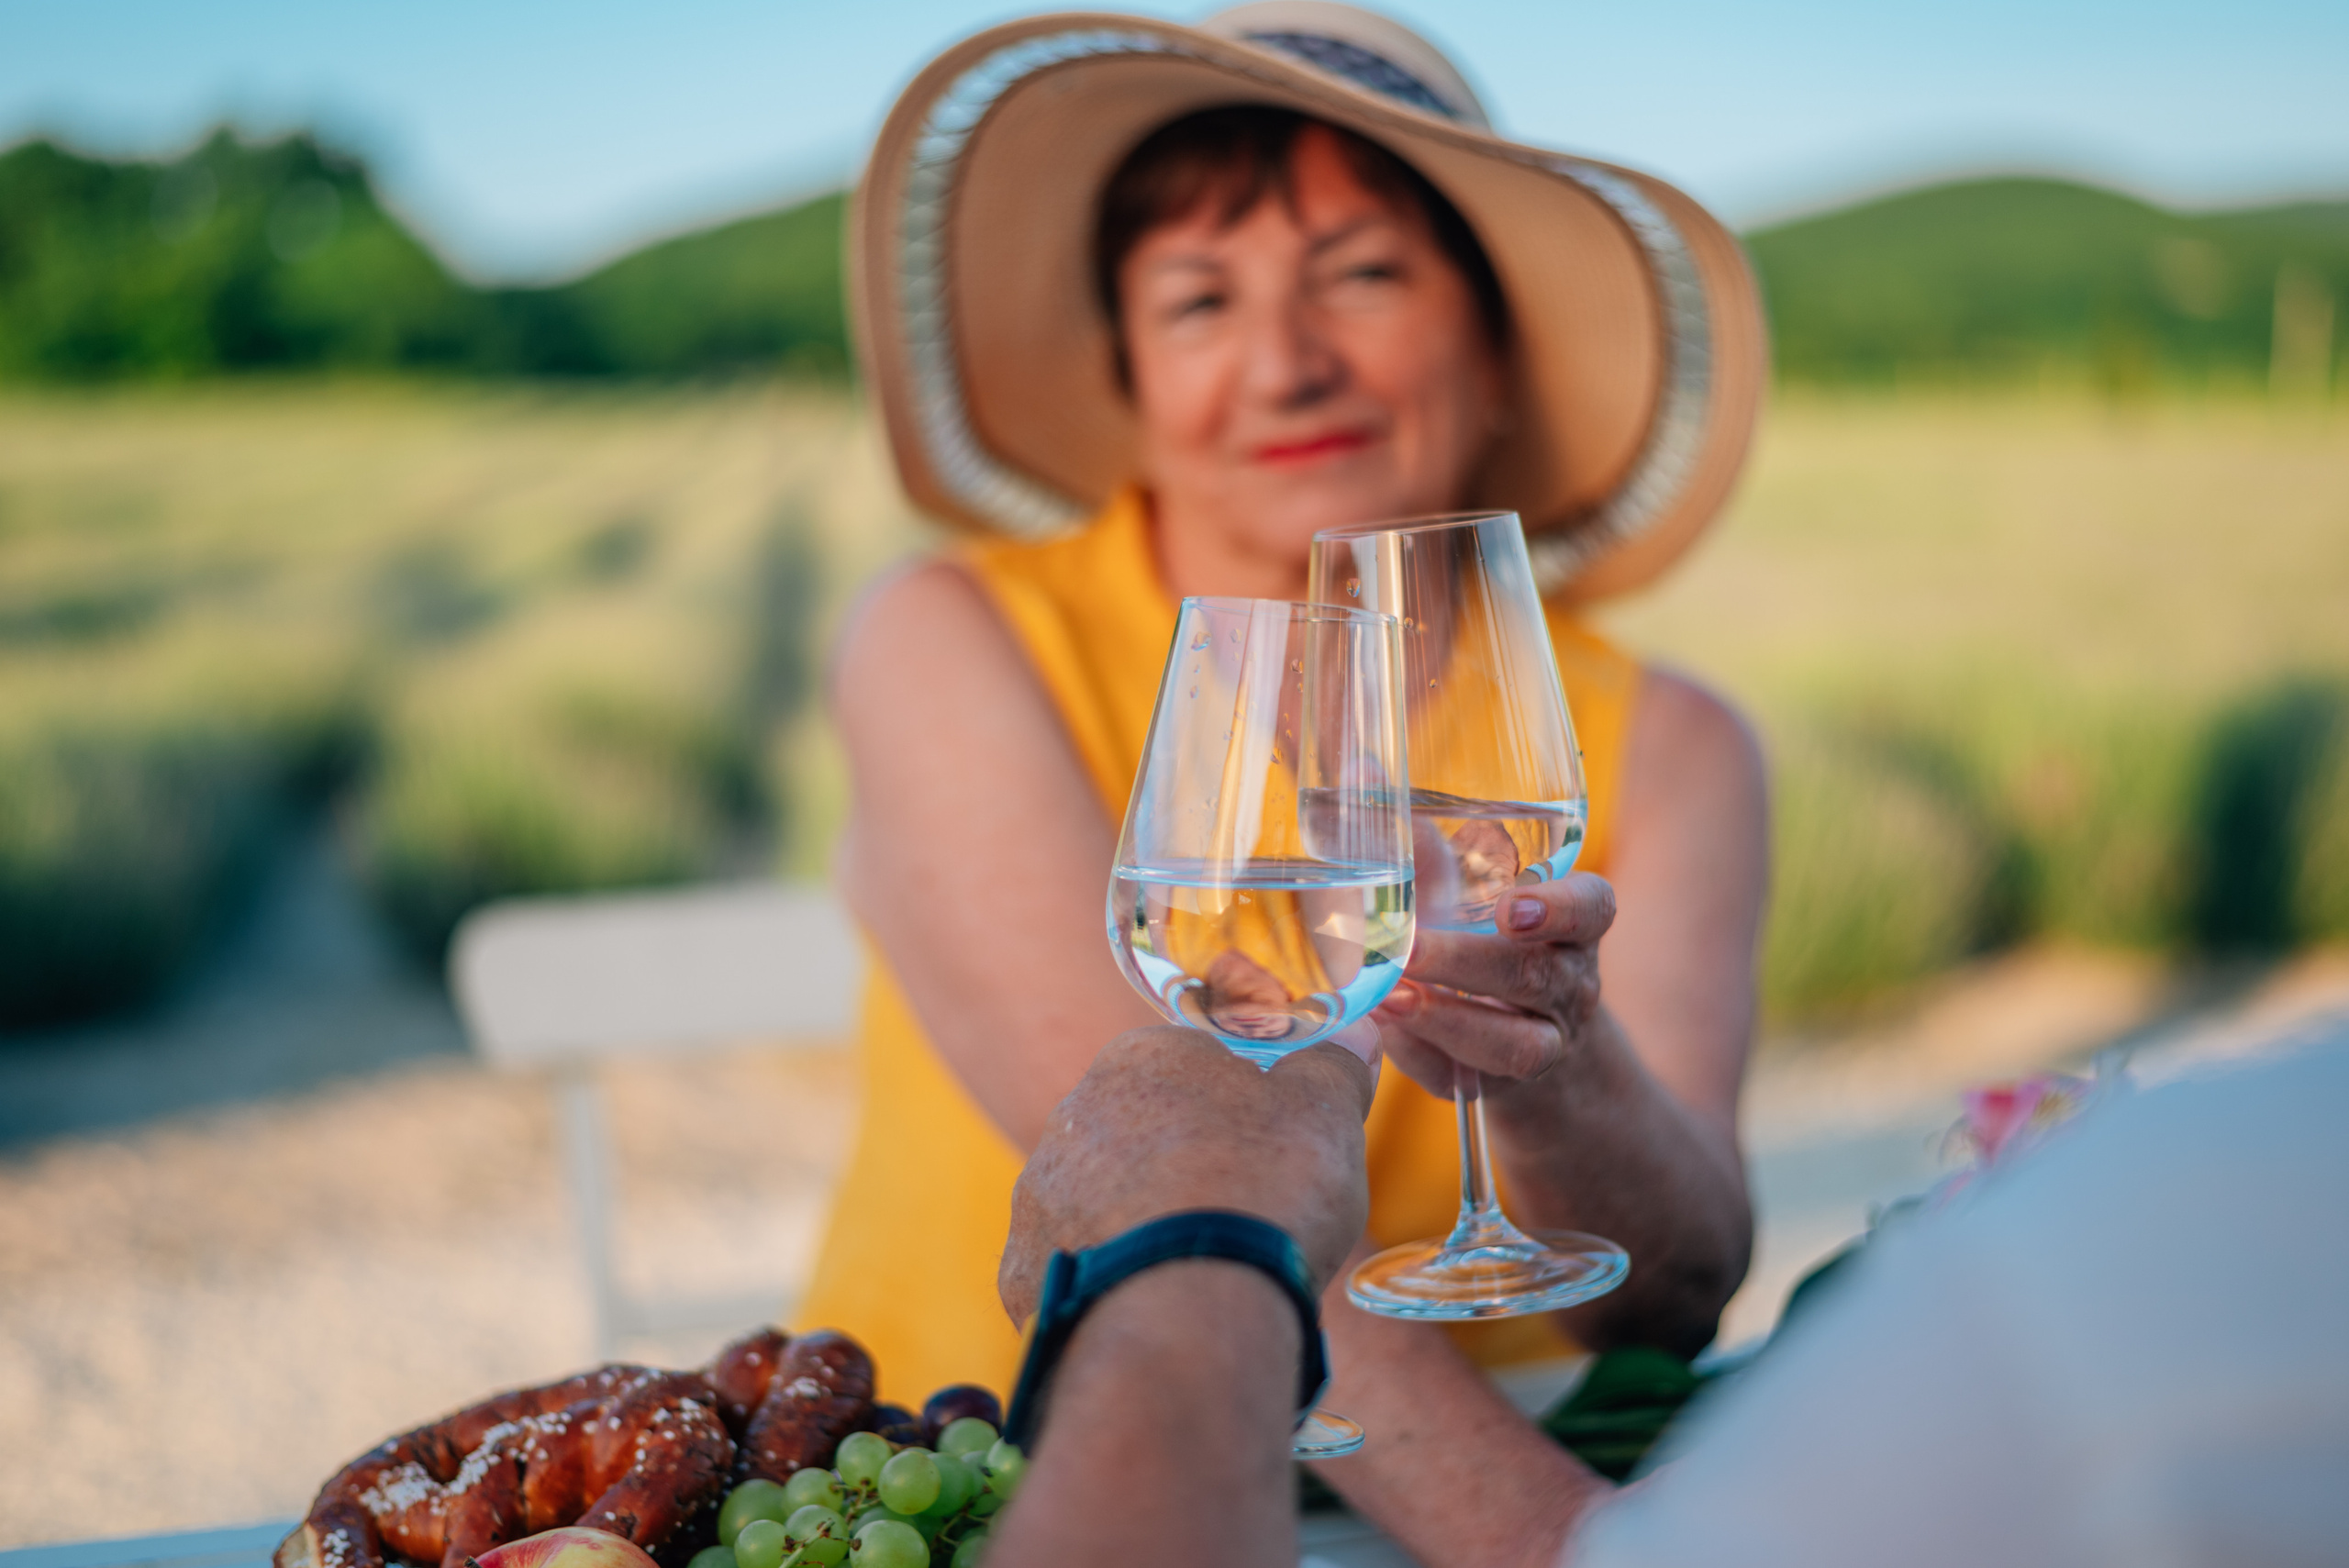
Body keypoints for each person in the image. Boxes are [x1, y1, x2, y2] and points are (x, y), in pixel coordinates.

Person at [797, 7, 1769, 1555]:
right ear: (1128, 368)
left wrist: (1560, 1057)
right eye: (1198, 300)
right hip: (1008, 1478)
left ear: (1493, 328)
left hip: (1513, 1452)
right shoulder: (952, 639)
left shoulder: (1673, 741)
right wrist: (1550, 1534)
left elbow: (1679, 1284)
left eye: (1365, 274)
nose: (1285, 361)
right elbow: (1163, 1183)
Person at [982, 1021, 2349, 1567]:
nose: (1283, 376)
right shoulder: (2238, 1206)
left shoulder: (2137, 1271)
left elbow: (1679, 1287)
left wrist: (1188, 1252)